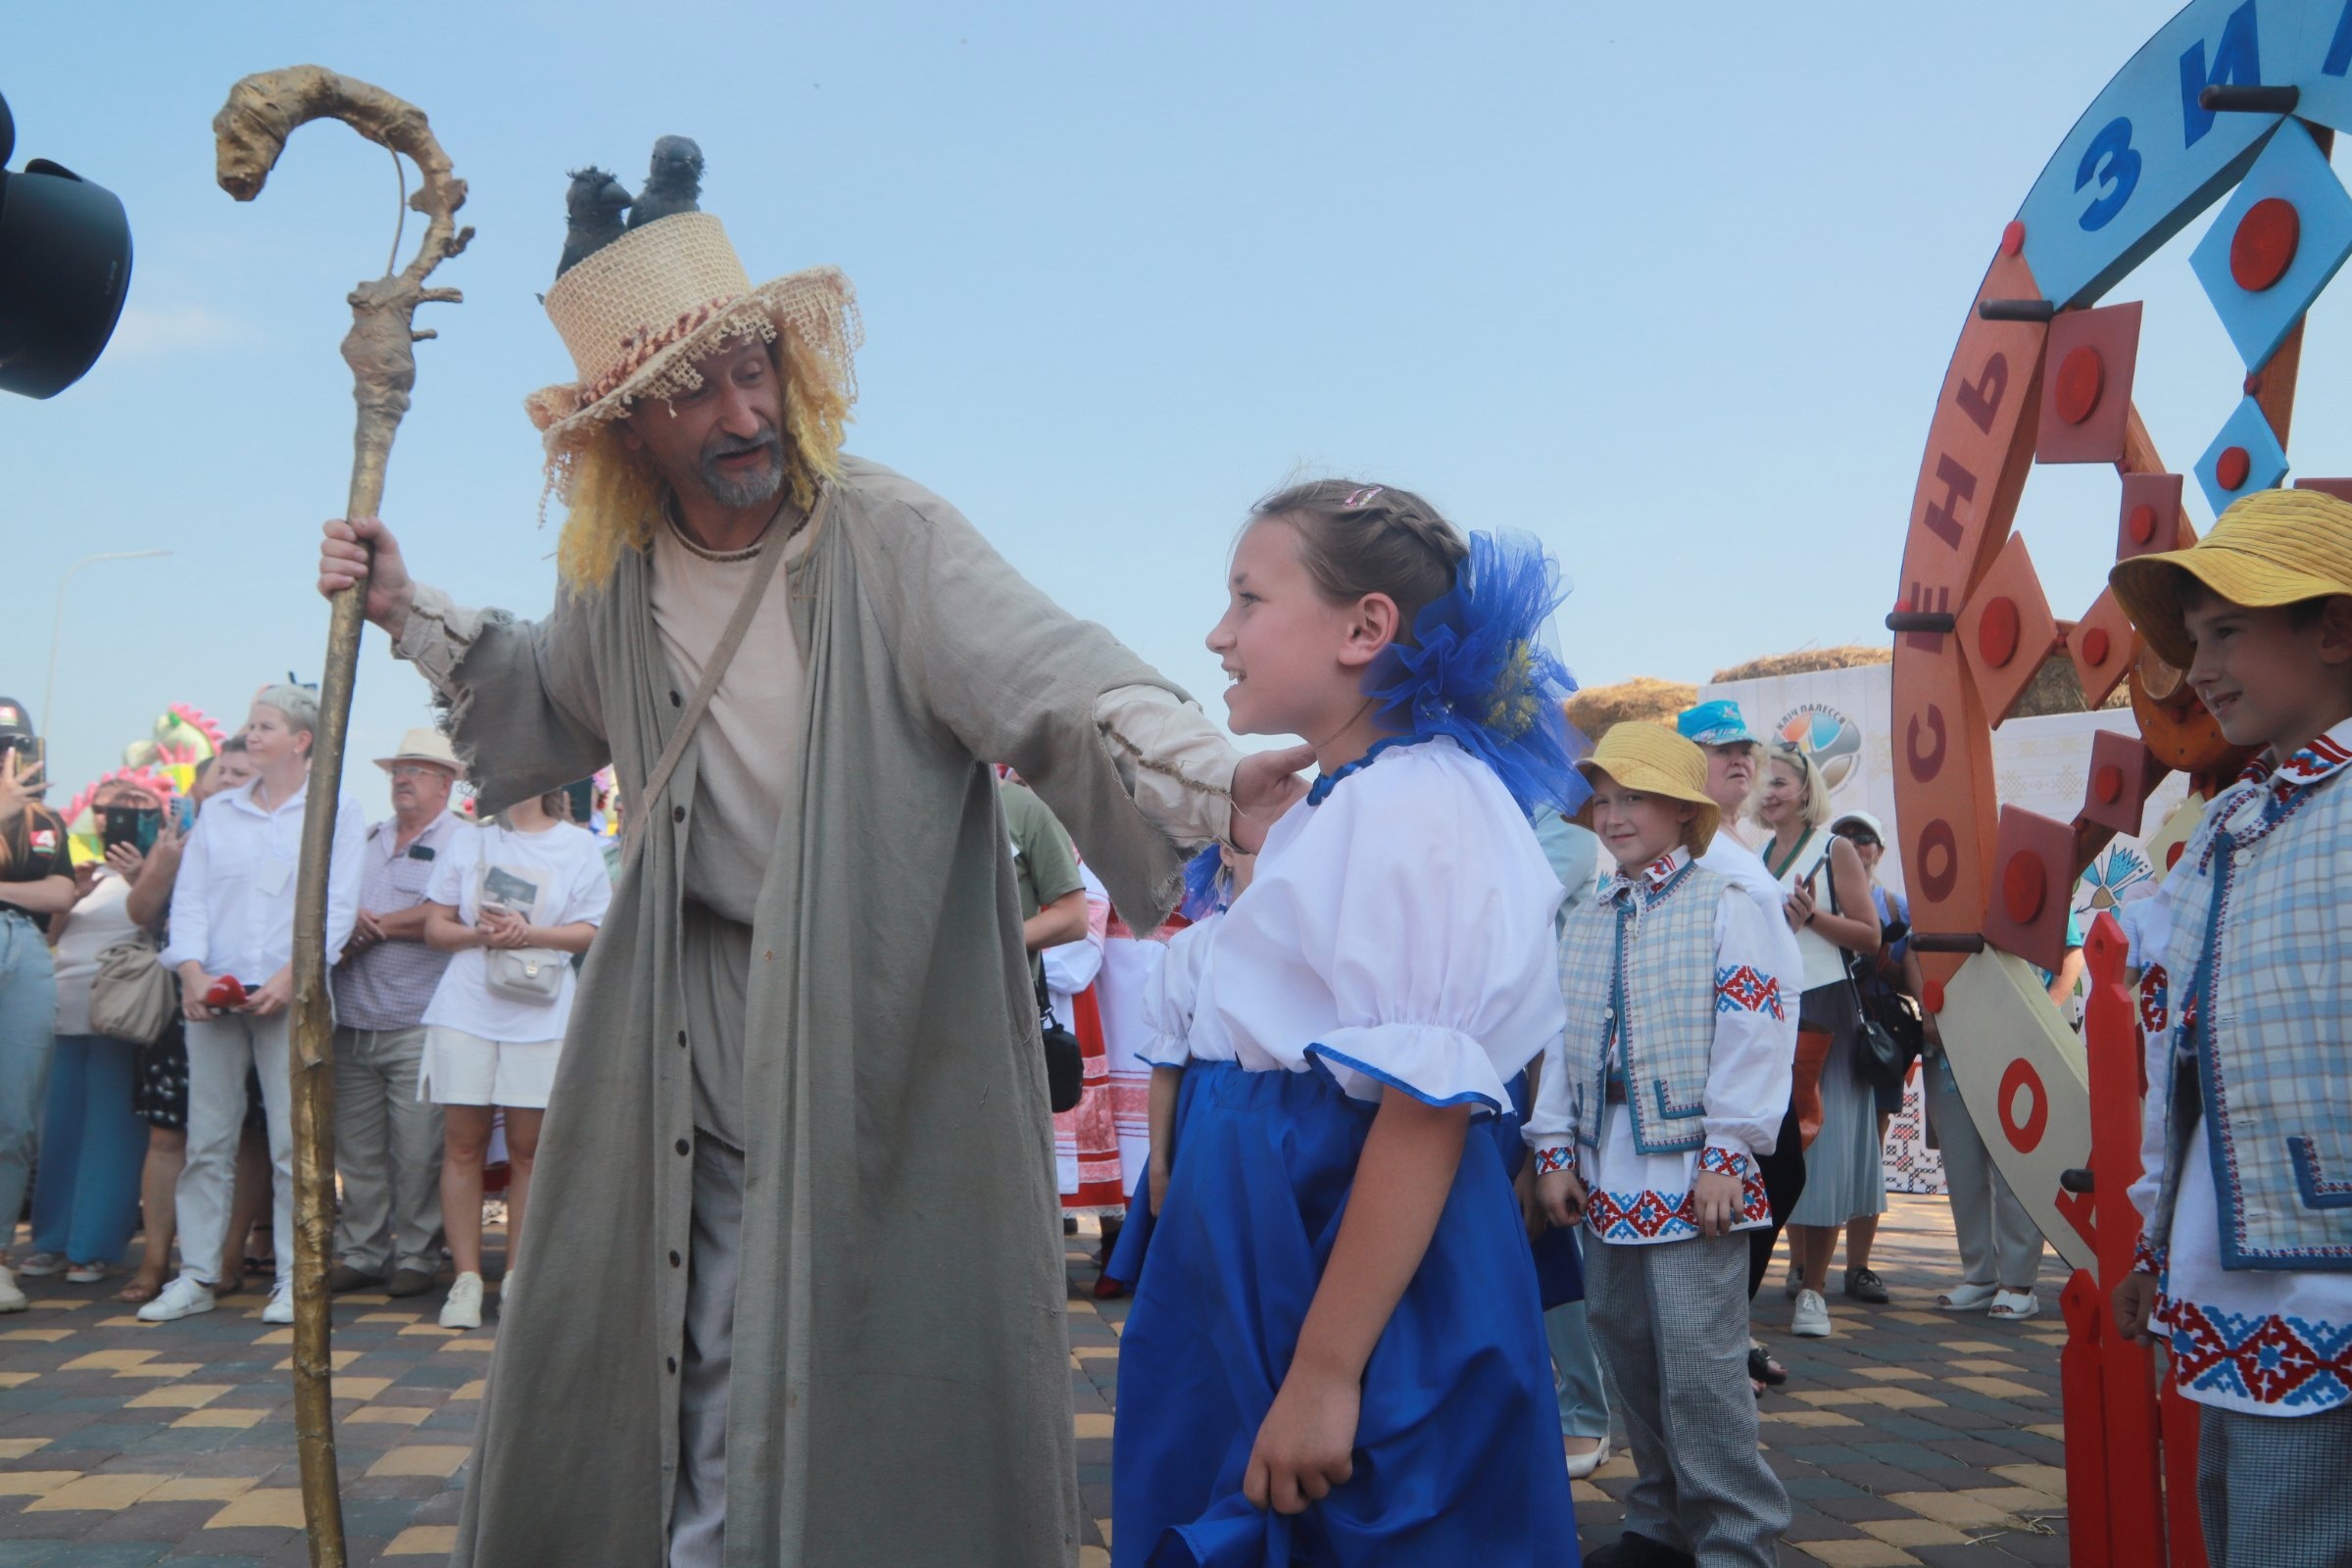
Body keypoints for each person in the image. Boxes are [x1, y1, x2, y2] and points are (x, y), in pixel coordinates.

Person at [315, 157, 1299, 1567]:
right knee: (687, 1324)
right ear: (625, 433)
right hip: (687, 1012)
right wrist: (406, 605)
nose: (743, 413)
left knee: (880, 1336)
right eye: (693, 390)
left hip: (884, 1015)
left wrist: (1209, 779)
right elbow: (545, 695)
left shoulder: (886, 534)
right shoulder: (620, 576)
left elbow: (1051, 671)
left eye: (754, 370)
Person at [1113, 482, 1582, 1563]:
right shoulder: (1347, 800)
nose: (1218, 634)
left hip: (1341, 1264)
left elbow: (1423, 1108)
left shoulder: (1420, 806)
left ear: (1366, 628)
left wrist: (1327, 1371)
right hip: (1273, 1247)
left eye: (1246, 598)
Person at [2107, 488, 2352, 1566]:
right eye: (2196, 636)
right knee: (2248, 1527)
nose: (2196, 667)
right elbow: (2184, 1059)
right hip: (2234, 1270)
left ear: (2334, 629)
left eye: (2229, 631)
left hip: (2328, 1279)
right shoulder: (2233, 823)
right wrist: (2157, 1235)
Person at [1532, 723, 1792, 1568]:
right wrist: (1554, 1150)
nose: (1612, 816)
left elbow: (1753, 1031)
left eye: (1633, 796)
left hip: (1693, 1170)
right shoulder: (1588, 913)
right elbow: (1561, 1034)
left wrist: (1727, 1150)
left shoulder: (1726, 903)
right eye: (1604, 799)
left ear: (1685, 810)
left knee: (1701, 1366)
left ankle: (1737, 1539)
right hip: (1607, 1161)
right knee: (1625, 1345)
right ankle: (1660, 1521)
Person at [141, 687, 366, 1327]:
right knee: (207, 1138)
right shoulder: (220, 813)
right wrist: (189, 971)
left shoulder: (335, 810)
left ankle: (298, 1279)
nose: (251, 734)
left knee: (295, 1143)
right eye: (249, 724)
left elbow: (337, 907)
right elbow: (191, 900)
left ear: (301, 740)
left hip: (289, 997)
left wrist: (289, 978)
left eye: (265, 726)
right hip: (214, 995)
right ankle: (199, 1274)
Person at [418, 784, 609, 1330]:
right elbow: (435, 928)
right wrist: (478, 934)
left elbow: (592, 931)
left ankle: (519, 1280)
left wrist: (528, 933)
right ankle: (466, 1279)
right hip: (465, 1007)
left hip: (540, 1007)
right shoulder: (468, 840)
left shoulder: (577, 846)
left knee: (529, 1150)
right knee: (463, 1144)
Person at [1677, 699, 1806, 1392]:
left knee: (1774, 1180)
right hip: (1726, 1048)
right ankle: (1719, 1341)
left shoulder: (1734, 840)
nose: (1739, 760)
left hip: (1766, 1049)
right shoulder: (1694, 843)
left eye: (1745, 750)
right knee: (1766, 1180)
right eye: (1719, 748)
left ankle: (1728, 1334)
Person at [328, 728, 472, 1298]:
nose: (402, 779)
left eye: (416, 770)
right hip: (352, 1017)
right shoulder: (363, 839)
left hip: (419, 1017)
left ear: (447, 782)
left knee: (418, 1151)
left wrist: (371, 928)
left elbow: (449, 911)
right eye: (398, 770)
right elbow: (331, 905)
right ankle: (361, 1251)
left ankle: (415, 1254)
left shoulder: (463, 841)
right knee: (357, 1152)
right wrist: (349, 925)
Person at [115, 743, 254, 1304]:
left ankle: (227, 1257)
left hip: (255, 991)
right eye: (221, 772)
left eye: (241, 773)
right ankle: (155, 1262)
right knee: (168, 1130)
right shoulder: (180, 838)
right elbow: (141, 914)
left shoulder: (276, 832)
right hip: (182, 994)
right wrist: (162, 865)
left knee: (248, 1134)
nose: (229, 780)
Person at [1751, 745, 1880, 1339]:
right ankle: (1798, 1267)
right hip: (1774, 1015)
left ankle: (1815, 1290)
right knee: (1783, 1150)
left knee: (1822, 1150)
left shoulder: (1836, 849)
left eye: (1780, 782)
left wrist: (1812, 920)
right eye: (1763, 783)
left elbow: (1870, 937)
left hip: (1826, 1009)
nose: (1770, 792)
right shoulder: (1756, 855)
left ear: (1806, 791)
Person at [23, 776, 172, 1284]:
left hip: (122, 1016)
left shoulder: (164, 863)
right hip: (63, 1015)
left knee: (112, 1134)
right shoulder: (81, 868)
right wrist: (72, 896)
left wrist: (141, 878)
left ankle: (93, 1246)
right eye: (108, 809)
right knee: (58, 1132)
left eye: (135, 809)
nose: (116, 819)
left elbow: (165, 928)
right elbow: (48, 937)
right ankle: (50, 1241)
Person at [1824, 809, 1926, 1305]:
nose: (1853, 844)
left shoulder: (1897, 906)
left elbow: (1916, 980)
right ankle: (1805, 1266)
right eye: (1843, 835)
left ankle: (1859, 1267)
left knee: (1868, 1154)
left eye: (1864, 837)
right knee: (1815, 1149)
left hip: (1877, 1046)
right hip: (1822, 1037)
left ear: (1879, 851)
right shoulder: (1813, 896)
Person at [0, 704, 73, 1312]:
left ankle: (0, 1257)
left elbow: (59, 893)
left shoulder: (43, 818)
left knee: (15, 1116)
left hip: (22, 943)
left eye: (13, 744)